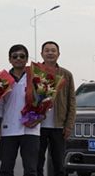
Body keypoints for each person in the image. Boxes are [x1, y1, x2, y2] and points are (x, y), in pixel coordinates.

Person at [0, 45, 40, 176]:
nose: (18, 59)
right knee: (6, 169)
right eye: (15, 56)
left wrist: (40, 117)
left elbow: (45, 100)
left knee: (31, 169)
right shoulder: (3, 79)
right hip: (9, 129)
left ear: (26, 59)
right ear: (10, 59)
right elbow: (0, 104)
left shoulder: (35, 78)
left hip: (31, 129)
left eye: (22, 56)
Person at [36, 41, 76, 176]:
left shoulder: (66, 74)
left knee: (59, 164)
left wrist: (69, 125)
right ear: (41, 53)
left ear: (58, 54)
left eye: (53, 50)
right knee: (36, 163)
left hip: (59, 126)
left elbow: (72, 101)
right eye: (47, 50)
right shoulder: (34, 72)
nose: (50, 53)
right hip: (37, 126)